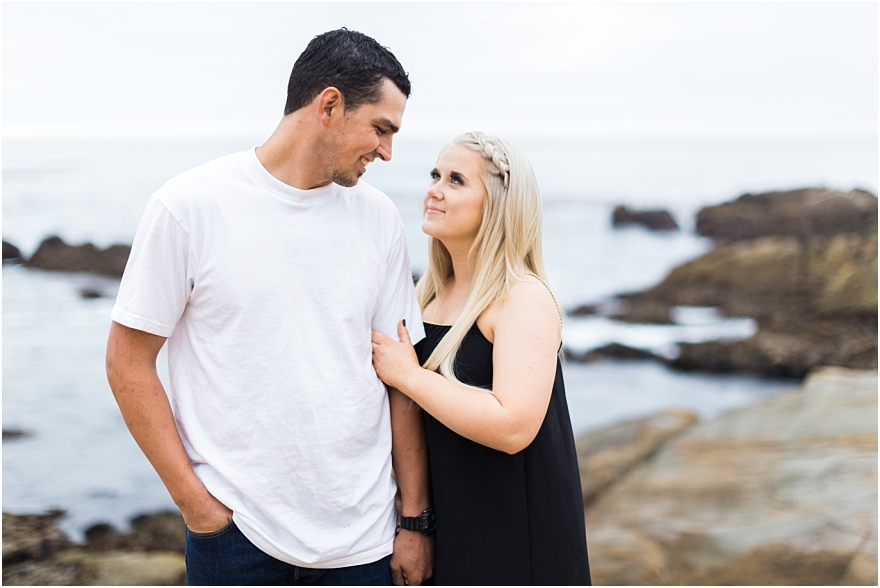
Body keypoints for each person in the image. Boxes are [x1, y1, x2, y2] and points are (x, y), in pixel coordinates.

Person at [106, 29, 435, 586]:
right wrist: (198, 507)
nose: (387, 151)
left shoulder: (378, 218)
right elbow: (127, 362)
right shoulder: (189, 206)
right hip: (238, 541)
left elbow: (399, 378)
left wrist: (414, 522)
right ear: (328, 104)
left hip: (364, 543)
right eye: (381, 128)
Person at [371, 132, 591, 585]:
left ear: (498, 205)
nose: (434, 189)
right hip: (446, 524)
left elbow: (513, 426)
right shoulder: (426, 296)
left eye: (456, 180)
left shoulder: (522, 297)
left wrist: (409, 378)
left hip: (513, 534)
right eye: (435, 174)